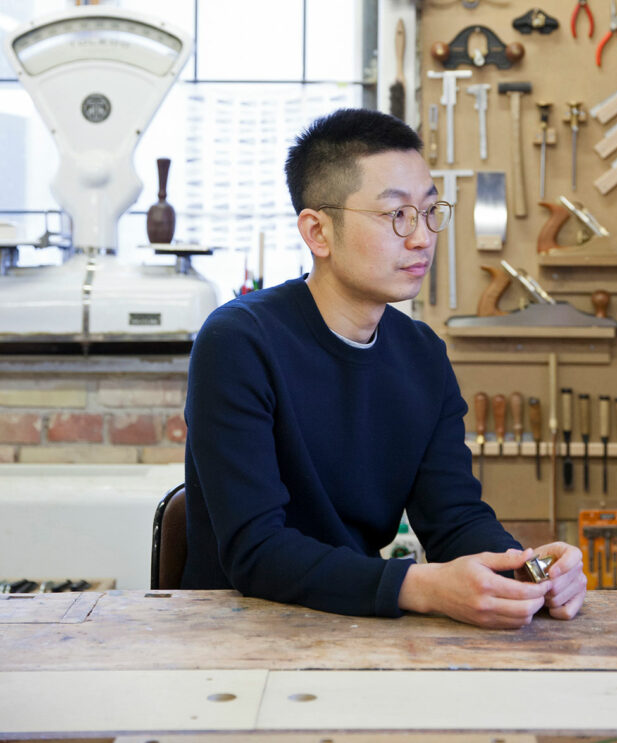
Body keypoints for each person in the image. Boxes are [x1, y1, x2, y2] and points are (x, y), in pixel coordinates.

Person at [183, 107, 586, 629]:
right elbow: (256, 551)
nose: (421, 238)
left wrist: (524, 573)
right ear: (318, 232)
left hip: (353, 627)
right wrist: (422, 585)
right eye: (396, 214)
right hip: (233, 634)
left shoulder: (422, 355)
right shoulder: (238, 342)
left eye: (428, 210)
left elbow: (455, 519)